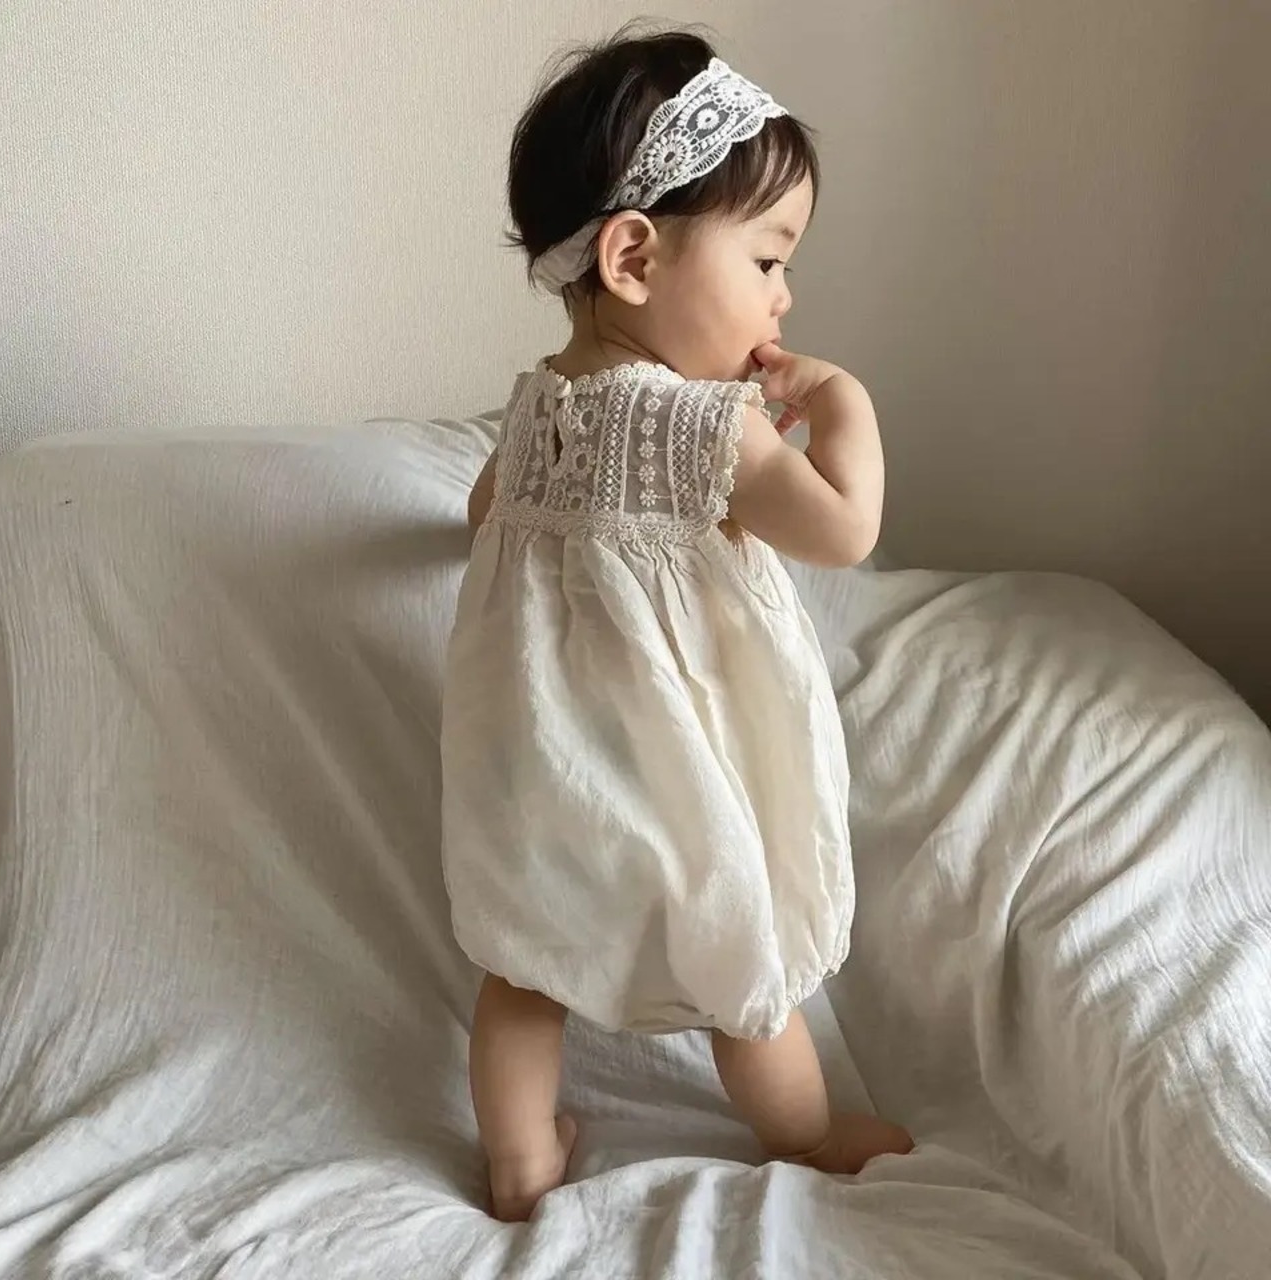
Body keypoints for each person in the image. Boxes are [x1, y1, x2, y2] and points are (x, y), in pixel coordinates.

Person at [441, 28, 912, 1222]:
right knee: (737, 965)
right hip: (679, 774)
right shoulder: (707, 426)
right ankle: (803, 1134)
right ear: (634, 256)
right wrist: (844, 404)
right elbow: (841, 528)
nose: (783, 295)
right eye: (767, 257)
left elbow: (483, 515)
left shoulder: (536, 408)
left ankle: (518, 1165)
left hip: (542, 769)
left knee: (522, 966)